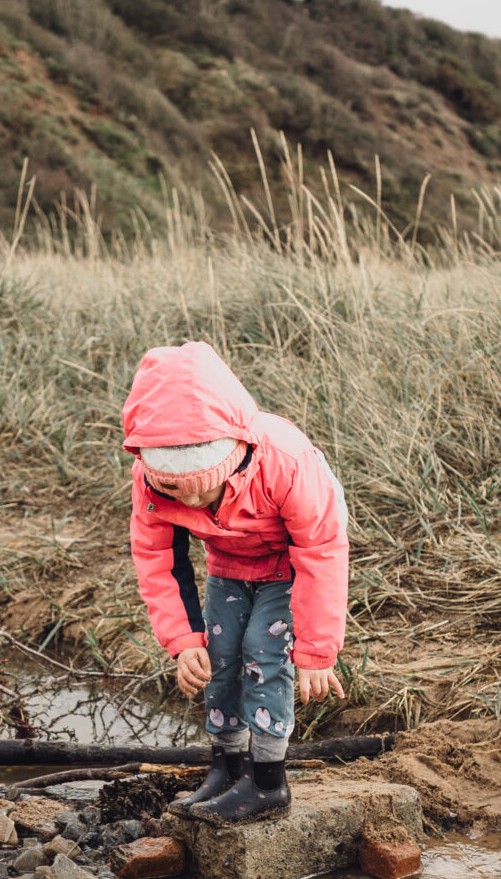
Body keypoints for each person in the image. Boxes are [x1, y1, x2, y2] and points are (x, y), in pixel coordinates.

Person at [122, 341, 348, 824]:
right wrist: (183, 642)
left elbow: (321, 550)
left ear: (234, 456)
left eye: (207, 486)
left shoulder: (284, 460)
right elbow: (157, 557)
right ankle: (226, 769)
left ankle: (268, 782)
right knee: (219, 657)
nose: (197, 501)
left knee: (264, 657)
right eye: (177, 489)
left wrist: (315, 651)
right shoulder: (150, 478)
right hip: (229, 565)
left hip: (290, 565)